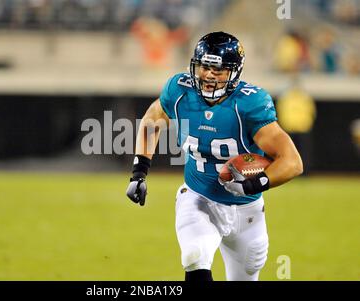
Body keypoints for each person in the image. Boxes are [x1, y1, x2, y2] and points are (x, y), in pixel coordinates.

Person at [126, 32, 303, 281]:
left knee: (246, 274)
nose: (209, 75)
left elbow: (292, 162)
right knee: (194, 256)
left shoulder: (249, 104)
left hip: (247, 210)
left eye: (218, 70)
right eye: (204, 67)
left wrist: (255, 183)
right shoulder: (180, 91)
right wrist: (139, 171)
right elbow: (152, 120)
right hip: (199, 199)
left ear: (234, 72)